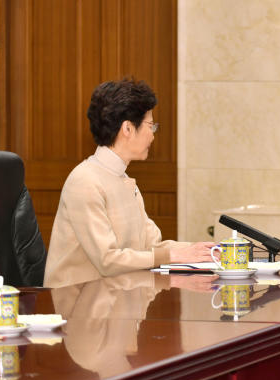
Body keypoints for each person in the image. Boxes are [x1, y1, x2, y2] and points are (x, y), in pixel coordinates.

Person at [44, 79, 214, 288]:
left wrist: (205, 251)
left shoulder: (124, 180)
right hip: (82, 307)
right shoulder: (85, 181)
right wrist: (176, 255)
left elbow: (151, 246)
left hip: (116, 300)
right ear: (127, 128)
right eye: (150, 125)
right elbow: (108, 260)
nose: (153, 135)